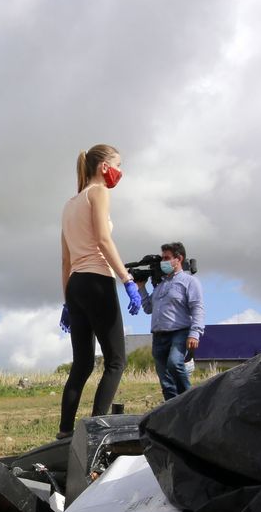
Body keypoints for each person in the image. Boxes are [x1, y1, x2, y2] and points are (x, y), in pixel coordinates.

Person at [57, 143, 140, 439]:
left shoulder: (69, 204)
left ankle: (65, 430)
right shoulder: (98, 192)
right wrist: (127, 280)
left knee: (82, 363)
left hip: (77, 284)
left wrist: (67, 301)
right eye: (118, 164)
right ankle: (96, 432)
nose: (120, 171)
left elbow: (66, 260)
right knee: (116, 360)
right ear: (105, 167)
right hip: (97, 280)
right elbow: (104, 240)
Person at [148, 242, 203, 401]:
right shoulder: (160, 286)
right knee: (165, 381)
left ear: (179, 259)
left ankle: (189, 400)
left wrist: (195, 334)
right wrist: (140, 287)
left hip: (179, 332)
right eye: (162, 258)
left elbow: (197, 308)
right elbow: (147, 308)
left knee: (174, 363)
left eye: (167, 258)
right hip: (159, 336)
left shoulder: (189, 282)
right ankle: (172, 408)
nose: (163, 262)